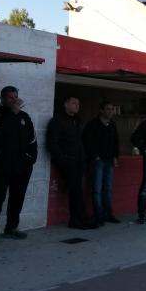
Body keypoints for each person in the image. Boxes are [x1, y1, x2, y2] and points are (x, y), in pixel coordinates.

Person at [0, 86, 37, 244]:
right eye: (10, 97)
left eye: (16, 97)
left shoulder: (25, 116)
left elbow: (32, 140)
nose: (14, 100)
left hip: (23, 166)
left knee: (17, 198)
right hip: (2, 165)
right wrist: (12, 113)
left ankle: (11, 228)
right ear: (2, 99)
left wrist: (30, 159)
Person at [47, 96, 96, 229]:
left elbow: (81, 141)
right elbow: (52, 143)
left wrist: (84, 157)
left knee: (77, 190)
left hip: (79, 161)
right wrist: (62, 160)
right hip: (68, 161)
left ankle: (77, 219)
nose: (77, 106)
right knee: (76, 190)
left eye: (78, 103)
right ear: (66, 104)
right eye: (74, 103)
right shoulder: (57, 121)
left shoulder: (77, 121)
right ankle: (80, 220)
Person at [83, 101, 120, 226]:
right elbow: (86, 142)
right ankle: (99, 216)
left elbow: (116, 142)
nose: (111, 111)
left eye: (112, 109)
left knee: (107, 189)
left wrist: (115, 157)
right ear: (101, 110)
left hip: (109, 161)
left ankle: (108, 214)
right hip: (97, 162)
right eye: (108, 109)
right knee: (97, 189)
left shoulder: (112, 125)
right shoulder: (92, 125)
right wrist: (95, 156)